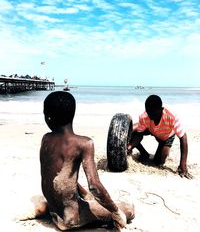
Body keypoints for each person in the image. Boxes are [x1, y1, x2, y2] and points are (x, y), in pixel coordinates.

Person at [26, 91, 134, 230]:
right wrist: (116, 212)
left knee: (89, 198)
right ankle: (69, 219)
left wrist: (84, 193)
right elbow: (94, 185)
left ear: (48, 117)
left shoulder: (46, 139)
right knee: (128, 209)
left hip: (55, 209)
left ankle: (48, 210)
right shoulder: (83, 143)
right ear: (73, 114)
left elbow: (59, 178)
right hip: (71, 217)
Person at [127, 94, 192, 179]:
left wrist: (183, 164)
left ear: (161, 109)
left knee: (158, 162)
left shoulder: (171, 116)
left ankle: (162, 149)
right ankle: (144, 153)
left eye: (153, 114)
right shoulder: (145, 116)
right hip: (151, 130)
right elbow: (139, 135)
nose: (150, 117)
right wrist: (129, 147)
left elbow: (183, 137)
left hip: (166, 137)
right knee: (134, 132)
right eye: (148, 113)